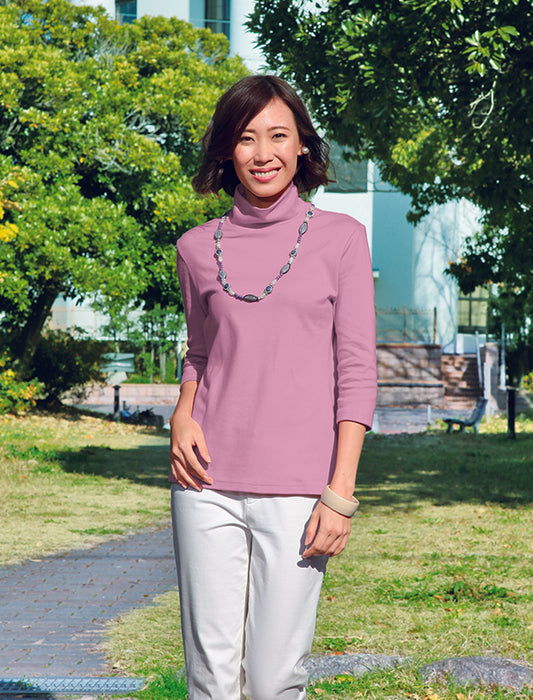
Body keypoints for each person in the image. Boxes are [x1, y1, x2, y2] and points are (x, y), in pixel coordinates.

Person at [169, 74, 377, 700]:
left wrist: (340, 495)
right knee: (210, 676)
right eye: (246, 138)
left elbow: (357, 370)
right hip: (204, 485)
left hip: (299, 493)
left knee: (273, 679)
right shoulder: (195, 248)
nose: (263, 153)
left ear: (302, 145)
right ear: (226, 151)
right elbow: (201, 352)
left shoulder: (342, 238)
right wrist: (182, 413)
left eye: (278, 136)